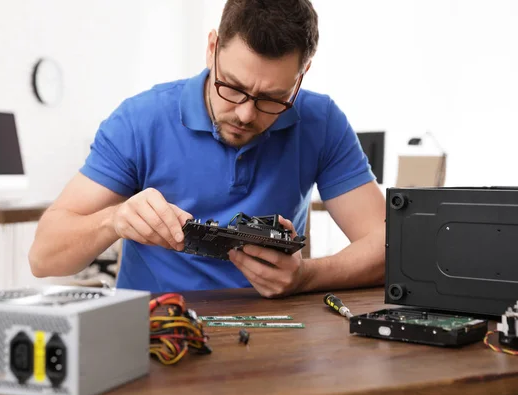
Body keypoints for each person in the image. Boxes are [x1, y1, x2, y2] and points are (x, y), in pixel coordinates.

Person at [29, 0, 386, 298]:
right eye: (232, 87)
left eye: (273, 99)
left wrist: (307, 275)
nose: (246, 114)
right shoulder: (140, 120)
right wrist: (114, 220)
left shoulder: (320, 121)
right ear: (212, 47)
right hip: (159, 331)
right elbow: (43, 258)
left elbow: (391, 248)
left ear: (303, 73)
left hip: (276, 336)